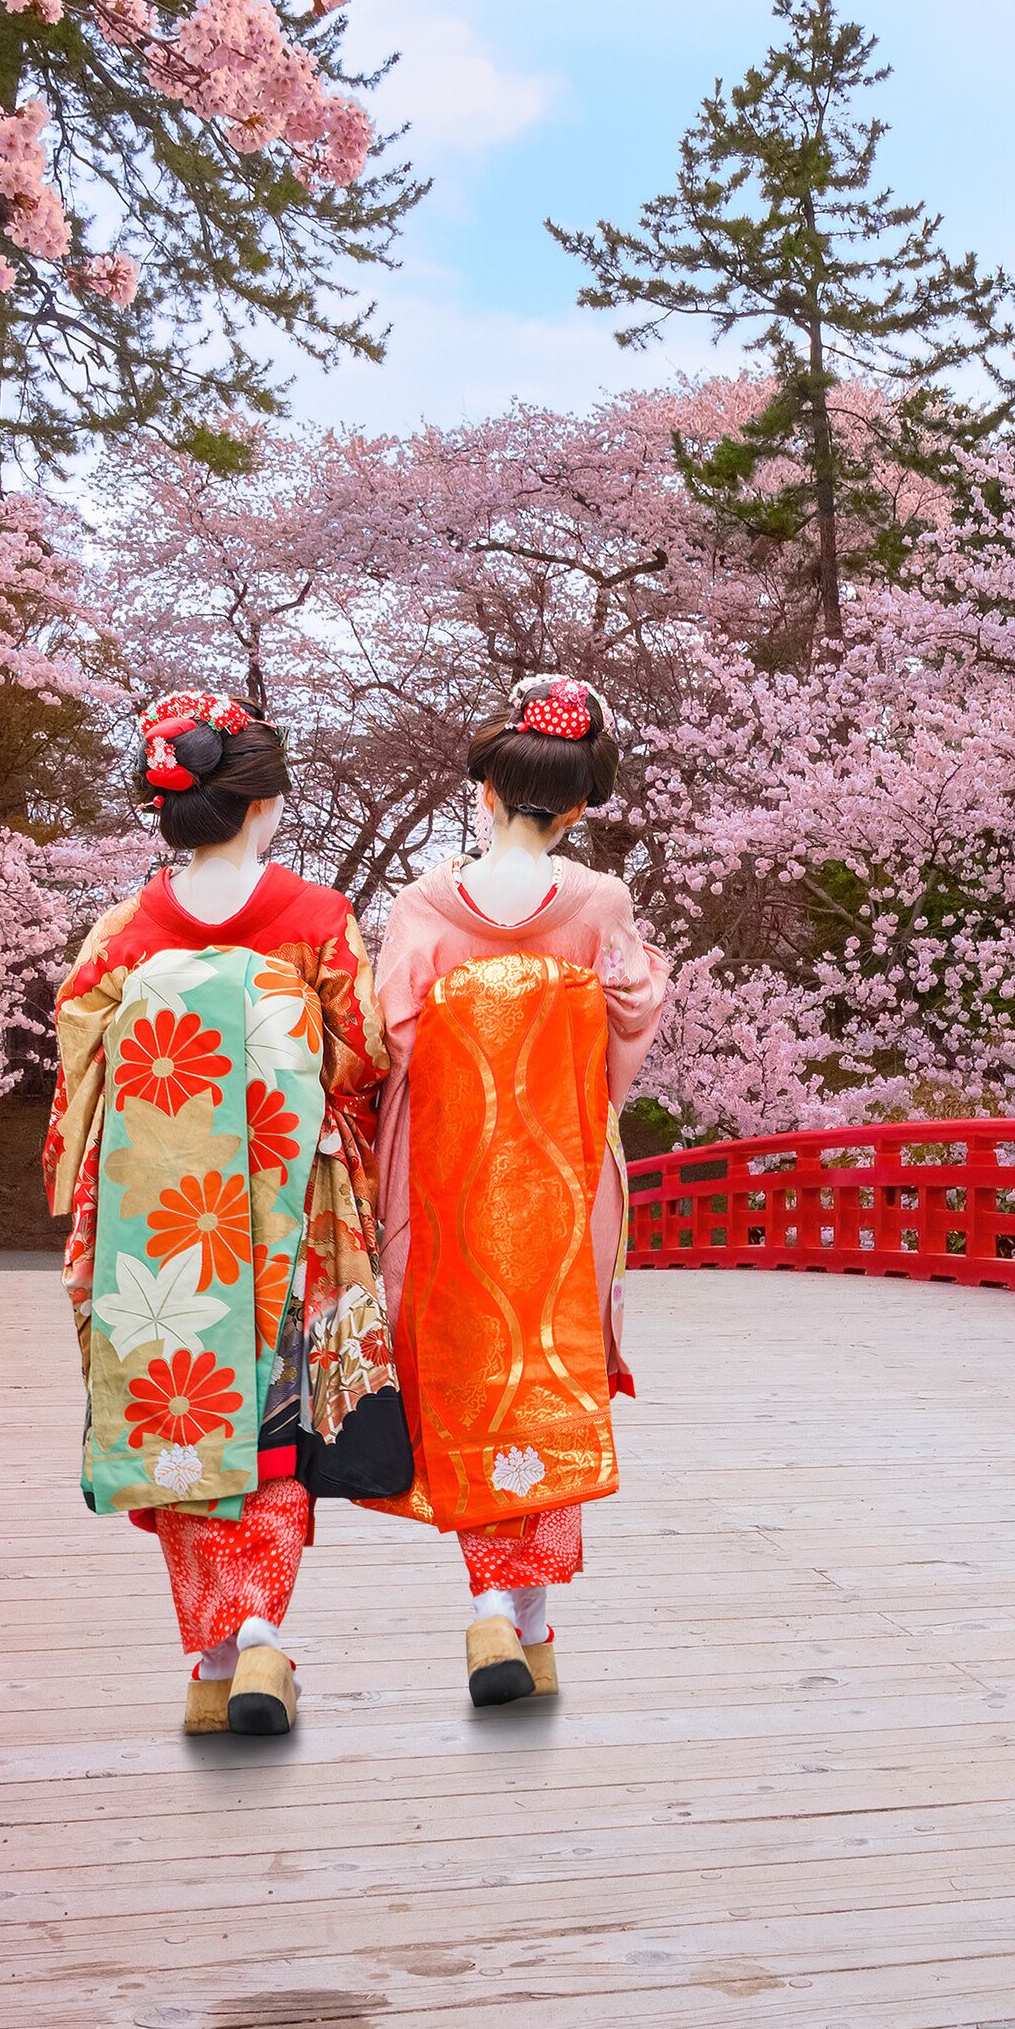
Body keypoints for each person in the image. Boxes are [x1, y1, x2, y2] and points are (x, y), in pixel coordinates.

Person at [43, 691, 399, 1737]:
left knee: (179, 1414)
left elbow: (80, 1071)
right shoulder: (316, 920)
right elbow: (367, 1057)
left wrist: (84, 1185)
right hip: (284, 1210)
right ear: (260, 807)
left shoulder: (123, 933)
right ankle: (259, 1639)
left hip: (157, 1217)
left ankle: (213, 1655)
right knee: (273, 1424)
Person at [371, 673, 671, 1707]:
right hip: (562, 1174)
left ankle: (506, 1610)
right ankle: (519, 1612)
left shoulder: (423, 904)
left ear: (486, 790)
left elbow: (391, 1039)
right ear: (581, 802)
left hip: (446, 1180)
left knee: (469, 1370)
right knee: (552, 1369)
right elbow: (628, 1019)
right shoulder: (599, 903)